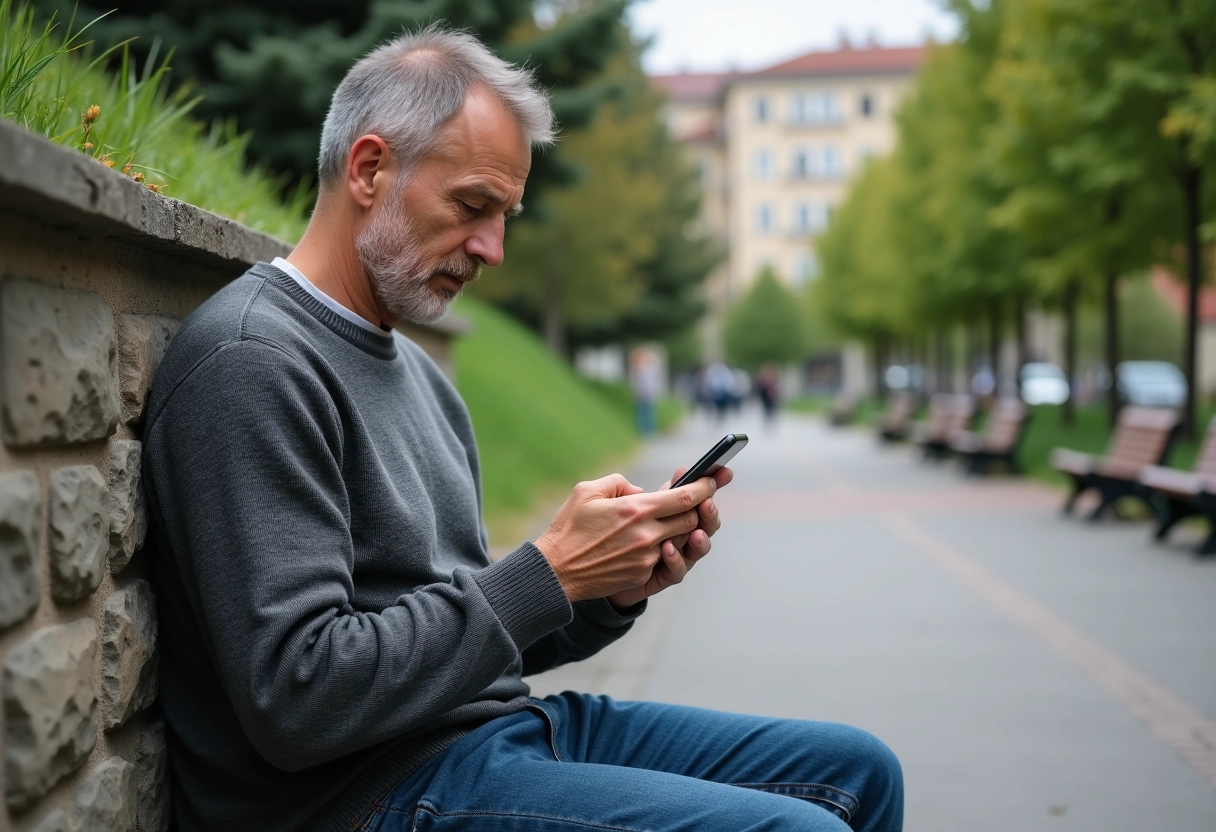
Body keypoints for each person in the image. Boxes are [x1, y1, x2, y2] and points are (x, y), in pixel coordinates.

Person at [143, 26, 903, 832]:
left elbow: (462, 646)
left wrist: (601, 587)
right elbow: (300, 697)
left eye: (505, 215)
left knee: (859, 770)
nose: (493, 249)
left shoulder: (422, 379)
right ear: (369, 169)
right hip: (354, 796)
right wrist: (547, 571)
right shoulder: (251, 360)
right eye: (472, 206)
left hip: (485, 737)